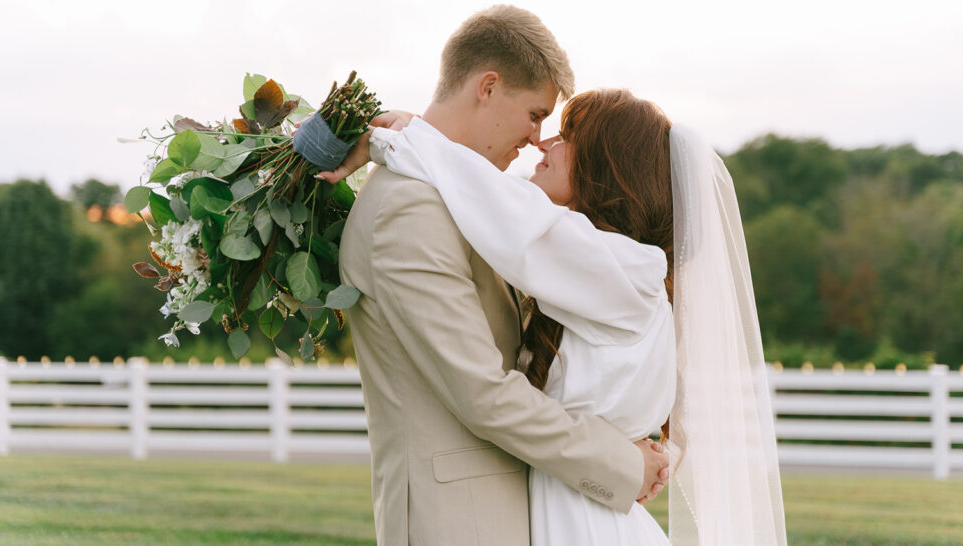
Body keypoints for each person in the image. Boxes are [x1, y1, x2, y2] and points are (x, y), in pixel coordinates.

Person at [326, 88, 788, 545]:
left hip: (587, 523)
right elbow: (498, 208)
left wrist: (405, 140)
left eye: (567, 136)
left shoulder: (629, 272)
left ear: (606, 167)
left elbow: (509, 216)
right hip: (571, 507)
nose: (543, 144)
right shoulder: (604, 266)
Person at [324, 5, 671, 546]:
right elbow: (482, 392)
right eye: (536, 115)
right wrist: (621, 464)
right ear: (488, 87)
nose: (538, 139)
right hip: (458, 519)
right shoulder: (409, 209)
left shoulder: (470, 205)